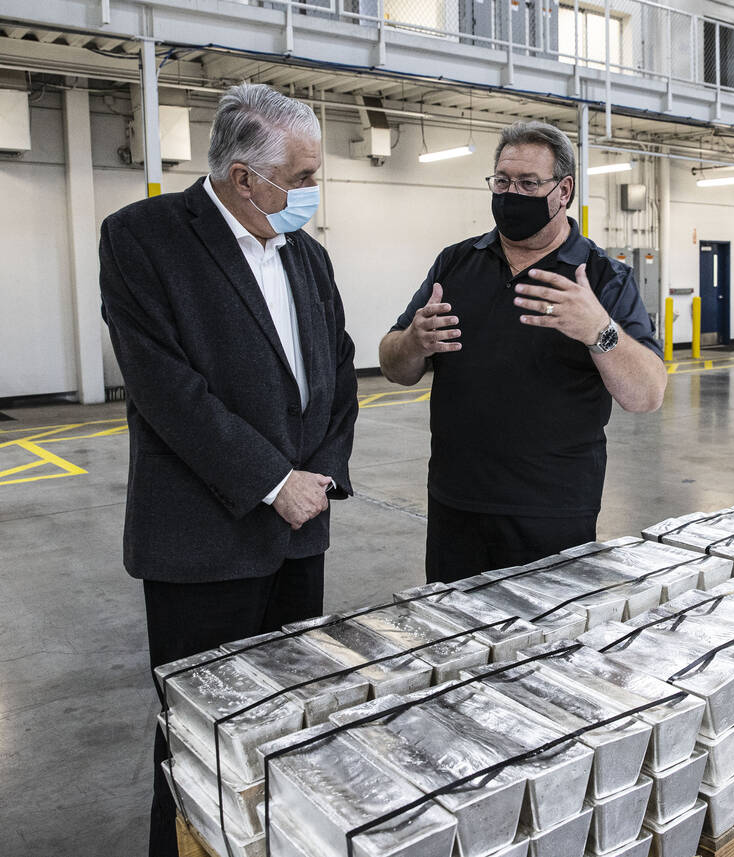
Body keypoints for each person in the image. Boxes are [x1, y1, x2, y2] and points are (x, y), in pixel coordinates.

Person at [98, 83, 358, 857]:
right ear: (245, 177)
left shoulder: (307, 255)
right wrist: (275, 482)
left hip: (299, 536)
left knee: (288, 727)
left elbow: (338, 375)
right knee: (197, 742)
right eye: (302, 177)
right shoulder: (143, 238)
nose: (313, 193)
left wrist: (321, 477)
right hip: (203, 547)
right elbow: (167, 390)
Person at [378, 120, 666, 583]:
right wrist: (413, 341)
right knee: (454, 640)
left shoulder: (602, 277)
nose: (512, 194)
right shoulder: (456, 262)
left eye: (529, 183)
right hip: (457, 505)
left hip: (553, 512)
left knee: (547, 646)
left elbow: (647, 394)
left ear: (563, 190)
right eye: (503, 181)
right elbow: (394, 365)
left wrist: (599, 330)